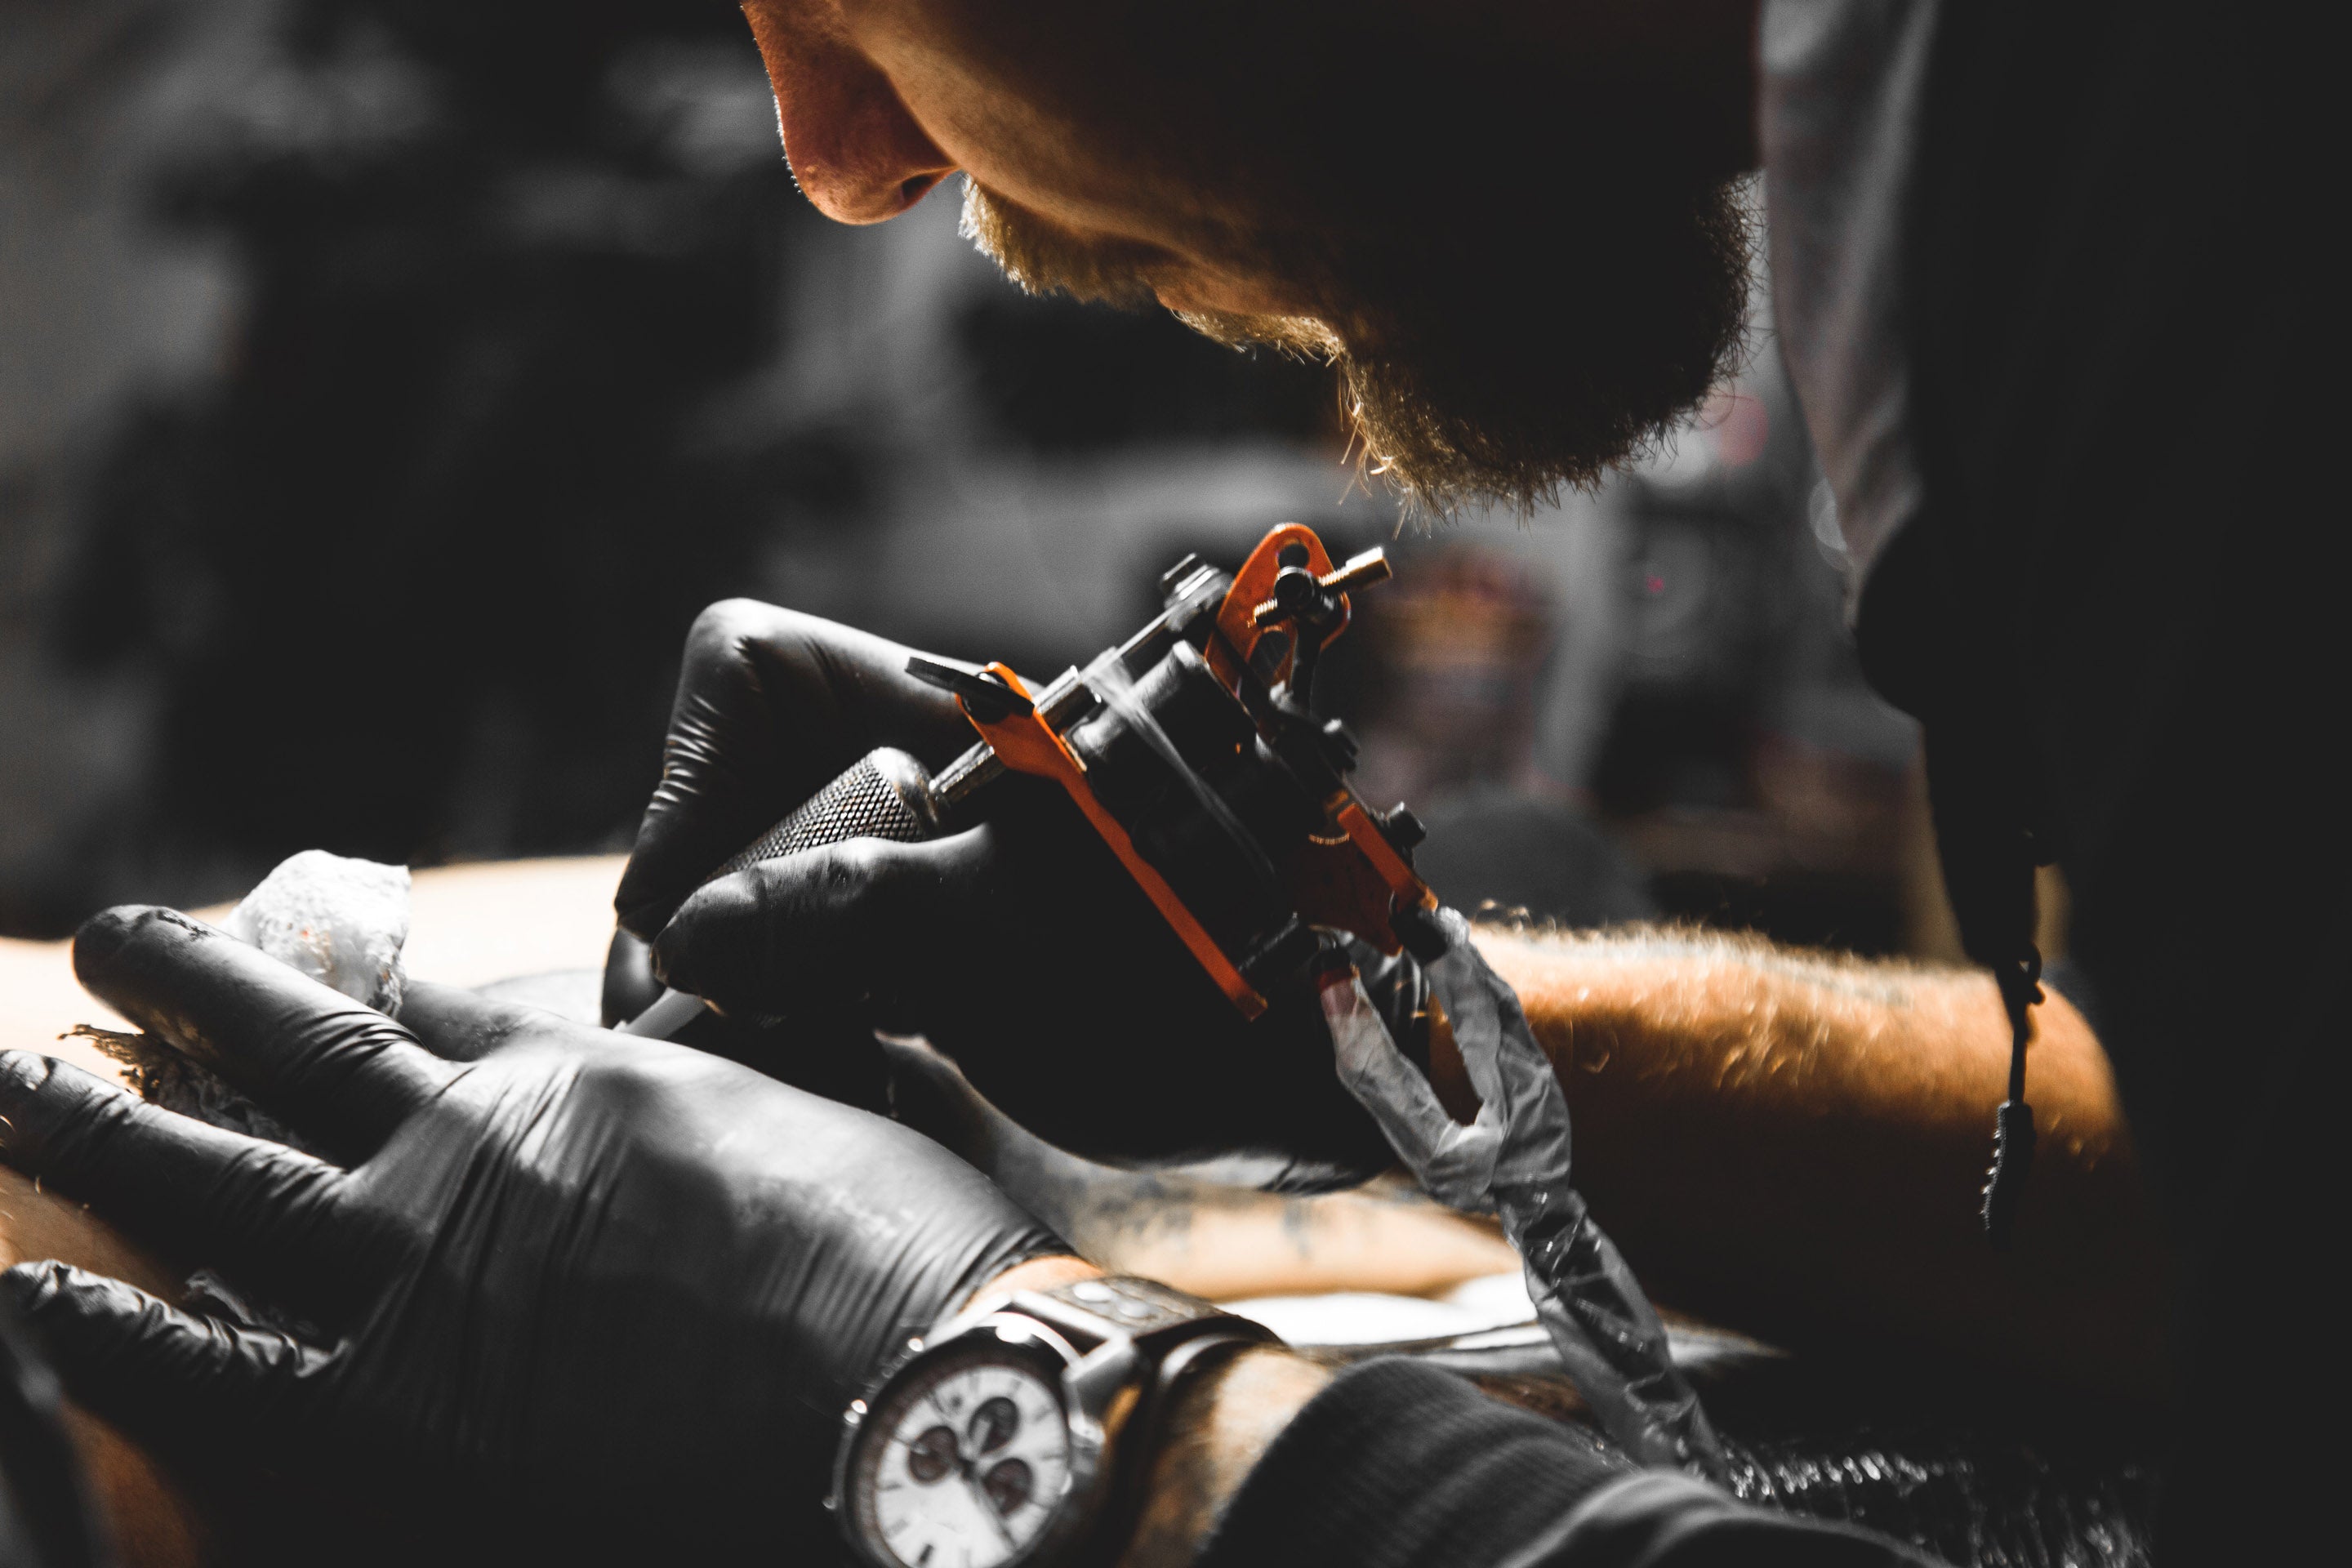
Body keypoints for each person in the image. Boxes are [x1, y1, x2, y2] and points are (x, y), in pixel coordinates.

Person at [1, 0, 2323, 1562]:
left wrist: (1009, 1402)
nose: (835, 157)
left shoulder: (2175, 163)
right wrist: (1341, 1011)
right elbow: (2263, 1206)